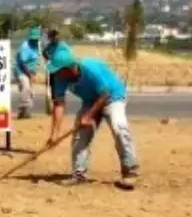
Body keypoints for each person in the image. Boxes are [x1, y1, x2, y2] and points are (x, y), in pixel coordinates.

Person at [44, 43, 140, 189]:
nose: (55, 74)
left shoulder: (90, 69)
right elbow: (59, 104)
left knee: (119, 126)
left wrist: (88, 116)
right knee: (80, 135)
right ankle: (79, 174)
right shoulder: (59, 78)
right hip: (90, 100)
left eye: (58, 70)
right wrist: (54, 134)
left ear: (69, 68)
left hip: (112, 96)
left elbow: (105, 94)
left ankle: (130, 171)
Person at [13, 27, 45, 118]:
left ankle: (26, 111)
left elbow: (38, 57)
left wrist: (34, 72)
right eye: (33, 39)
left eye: (36, 39)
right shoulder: (25, 46)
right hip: (21, 70)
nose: (35, 40)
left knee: (30, 92)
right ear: (30, 38)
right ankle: (23, 109)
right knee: (26, 87)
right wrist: (29, 74)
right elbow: (23, 63)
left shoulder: (38, 44)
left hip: (31, 71)